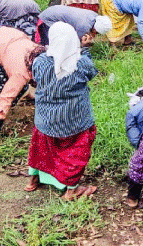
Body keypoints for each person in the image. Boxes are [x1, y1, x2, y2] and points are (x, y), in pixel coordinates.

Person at [26, 22, 99, 200]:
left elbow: (37, 77)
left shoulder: (40, 62)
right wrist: (85, 49)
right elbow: (92, 72)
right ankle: (71, 190)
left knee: (41, 149)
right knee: (76, 153)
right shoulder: (81, 64)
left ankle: (33, 180)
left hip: (45, 119)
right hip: (75, 120)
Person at [0, 26, 46, 132]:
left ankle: (26, 94)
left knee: (17, 80)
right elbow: (6, 97)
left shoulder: (43, 55)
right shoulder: (20, 74)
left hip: (11, 35)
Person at [36, 5, 112, 46]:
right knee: (51, 45)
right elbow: (76, 45)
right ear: (95, 29)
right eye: (97, 33)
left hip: (54, 10)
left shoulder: (94, 15)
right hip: (48, 19)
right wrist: (84, 45)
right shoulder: (84, 26)